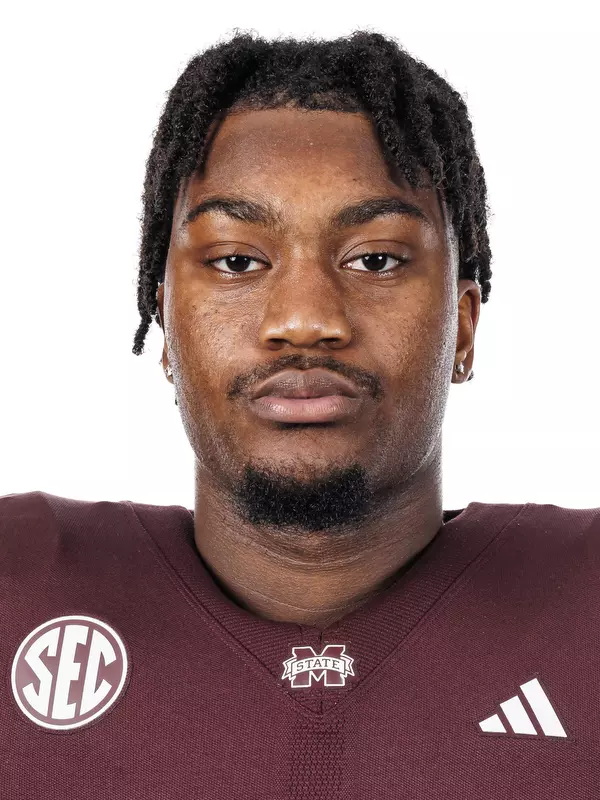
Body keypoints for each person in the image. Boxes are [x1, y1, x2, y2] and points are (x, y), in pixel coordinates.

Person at [1, 29, 597, 799]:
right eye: (238, 261)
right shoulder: (20, 581)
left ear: (465, 326)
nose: (306, 319)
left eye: (375, 258)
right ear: (166, 324)